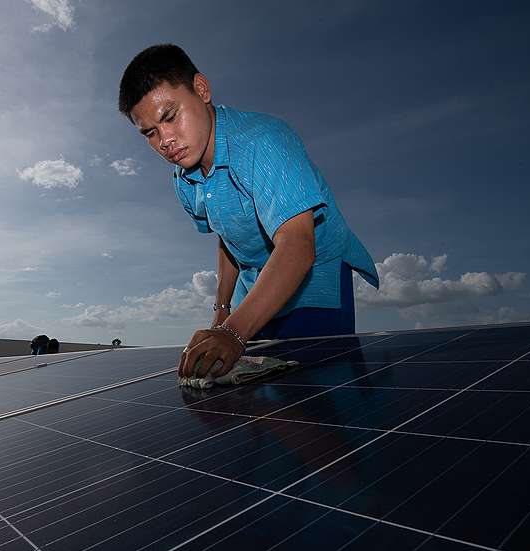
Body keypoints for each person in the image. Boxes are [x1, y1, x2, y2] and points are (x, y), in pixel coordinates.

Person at [118, 44, 380, 381]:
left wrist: (234, 333)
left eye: (170, 116)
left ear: (201, 90)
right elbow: (227, 238)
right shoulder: (184, 179)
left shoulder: (264, 141)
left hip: (313, 277)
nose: (165, 140)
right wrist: (223, 311)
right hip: (252, 283)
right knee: (253, 392)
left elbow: (298, 245)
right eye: (150, 133)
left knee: (314, 391)